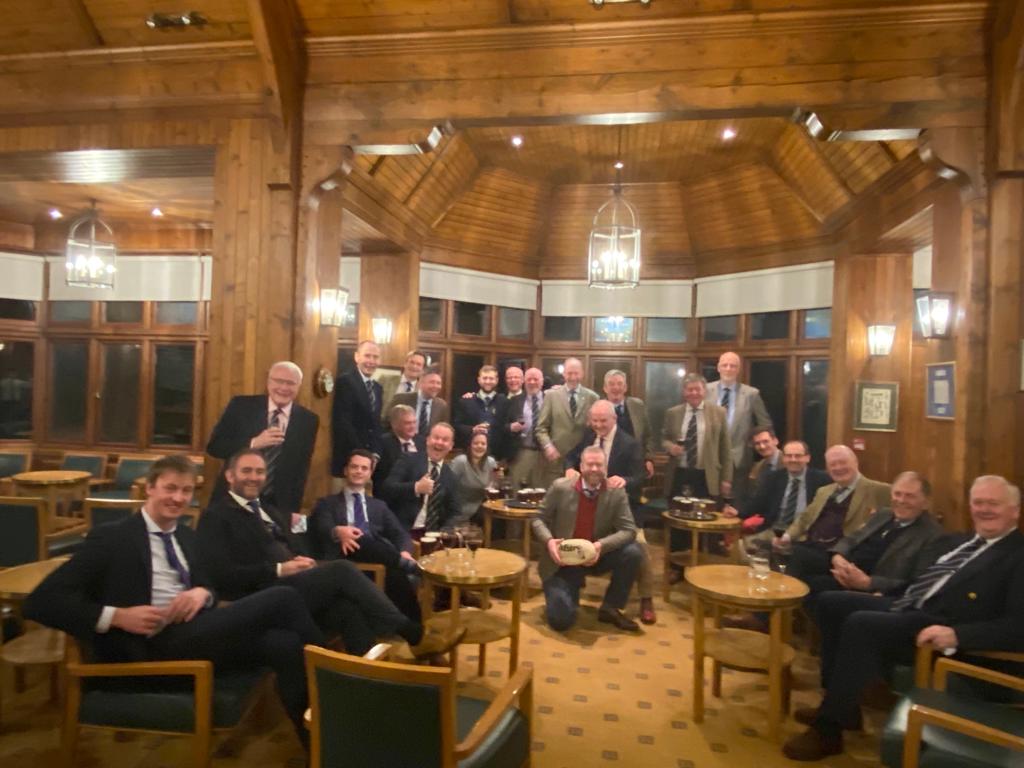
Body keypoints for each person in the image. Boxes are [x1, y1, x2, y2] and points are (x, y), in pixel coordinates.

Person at [24, 455, 324, 748]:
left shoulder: (185, 536)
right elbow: (41, 602)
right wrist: (117, 616)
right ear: (150, 488)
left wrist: (202, 594)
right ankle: (335, 680)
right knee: (283, 596)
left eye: (186, 490)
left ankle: (318, 747)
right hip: (148, 650)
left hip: (192, 634)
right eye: (170, 488)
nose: (178, 498)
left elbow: (211, 587)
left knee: (284, 644)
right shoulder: (113, 538)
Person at [782, 475, 1024, 761]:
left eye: (993, 504)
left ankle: (828, 729)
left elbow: (1017, 627)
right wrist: (876, 589)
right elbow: (922, 583)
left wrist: (957, 635)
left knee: (862, 624)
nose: (984, 510)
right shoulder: (966, 542)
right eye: (978, 503)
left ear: (1015, 511)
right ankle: (842, 707)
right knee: (830, 602)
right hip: (911, 606)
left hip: (943, 630)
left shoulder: (1016, 555)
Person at [196, 449, 451, 655]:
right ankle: (414, 633)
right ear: (229, 475)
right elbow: (221, 574)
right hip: (264, 591)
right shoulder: (216, 516)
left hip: (297, 578)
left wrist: (301, 558)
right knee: (342, 570)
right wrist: (280, 568)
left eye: (259, 471)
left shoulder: (268, 509)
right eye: (247, 471)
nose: (254, 477)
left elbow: (296, 539)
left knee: (346, 608)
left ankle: (366, 674)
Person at [564, 400, 657, 625]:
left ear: (614, 419)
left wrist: (624, 480)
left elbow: (640, 477)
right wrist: (568, 468)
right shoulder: (588, 437)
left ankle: (645, 599)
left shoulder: (630, 443)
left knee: (639, 549)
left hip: (624, 508)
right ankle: (570, 587)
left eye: (603, 421)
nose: (598, 425)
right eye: (594, 421)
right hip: (591, 506)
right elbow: (570, 456)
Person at [532, 446, 643, 632]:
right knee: (561, 621)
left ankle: (611, 607)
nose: (594, 469)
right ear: (581, 466)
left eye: (599, 465)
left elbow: (629, 530)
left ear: (606, 468)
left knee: (633, 552)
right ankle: (570, 590)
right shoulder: (560, 487)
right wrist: (549, 541)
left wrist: (600, 546)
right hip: (563, 560)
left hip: (597, 556)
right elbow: (538, 519)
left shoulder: (616, 492)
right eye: (590, 464)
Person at [801, 471, 943, 614]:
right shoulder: (884, 514)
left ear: (925, 503)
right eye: (897, 494)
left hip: (874, 589)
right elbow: (852, 538)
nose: (901, 500)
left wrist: (868, 582)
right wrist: (837, 556)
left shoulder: (932, 535)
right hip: (846, 570)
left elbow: (916, 583)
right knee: (799, 558)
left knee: (824, 596)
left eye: (910, 496)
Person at [309, 449, 422, 622]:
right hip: (345, 559)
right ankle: (403, 565)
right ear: (346, 470)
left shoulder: (379, 506)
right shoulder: (327, 503)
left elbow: (400, 534)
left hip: (377, 559)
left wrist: (405, 551)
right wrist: (338, 531)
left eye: (364, 468)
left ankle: (414, 627)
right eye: (354, 467)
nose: (359, 471)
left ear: (370, 474)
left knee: (394, 572)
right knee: (358, 537)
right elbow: (321, 526)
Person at [206, 360, 317, 516]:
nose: (284, 388)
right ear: (268, 382)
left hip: (278, 507)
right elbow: (215, 447)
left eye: (290, 383)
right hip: (234, 499)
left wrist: (292, 511)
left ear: (299, 386)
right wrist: (253, 443)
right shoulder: (241, 406)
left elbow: (301, 471)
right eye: (278, 381)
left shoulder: (308, 420)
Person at [776, 445, 892, 574]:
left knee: (797, 554)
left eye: (842, 462)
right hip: (811, 545)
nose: (838, 468)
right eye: (832, 464)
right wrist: (786, 537)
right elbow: (805, 518)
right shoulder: (824, 491)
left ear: (855, 462)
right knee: (776, 549)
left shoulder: (880, 490)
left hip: (842, 554)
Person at [704, 351, 772, 504]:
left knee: (735, 505)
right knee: (708, 504)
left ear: (739, 369)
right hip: (708, 458)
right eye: (725, 365)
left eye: (733, 366)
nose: (728, 369)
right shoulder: (705, 391)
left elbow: (765, 424)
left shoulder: (751, 394)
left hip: (739, 459)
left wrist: (752, 443)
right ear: (718, 368)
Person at [726, 440, 830, 537]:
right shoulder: (773, 478)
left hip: (806, 534)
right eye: (789, 456)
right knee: (742, 546)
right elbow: (757, 503)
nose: (793, 459)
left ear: (808, 458)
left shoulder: (822, 480)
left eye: (798, 456)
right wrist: (738, 512)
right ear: (783, 458)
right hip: (774, 531)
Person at [661, 373, 732, 500]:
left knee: (706, 511)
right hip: (679, 472)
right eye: (690, 389)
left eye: (698, 389)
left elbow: (725, 449)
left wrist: (726, 479)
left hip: (706, 475)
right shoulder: (673, 413)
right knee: (677, 510)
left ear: (704, 391)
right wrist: (670, 447)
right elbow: (664, 439)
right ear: (684, 392)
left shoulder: (718, 413)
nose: (694, 393)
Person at [381, 422, 461, 533]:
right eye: (436, 437)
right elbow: (387, 489)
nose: (439, 442)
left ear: (451, 446)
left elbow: (455, 512)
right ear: (427, 440)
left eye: (445, 440)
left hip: (433, 534)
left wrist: (444, 532)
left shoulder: (451, 476)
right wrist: (416, 487)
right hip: (404, 531)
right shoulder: (408, 460)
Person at [535, 357, 599, 487]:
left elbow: (597, 429)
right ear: (564, 374)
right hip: (556, 461)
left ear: (582, 373)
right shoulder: (551, 396)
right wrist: (548, 446)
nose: (573, 377)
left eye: (576, 373)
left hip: (583, 463)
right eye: (569, 373)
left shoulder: (592, 397)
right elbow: (541, 428)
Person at [331, 341, 384, 478]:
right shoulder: (345, 382)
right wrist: (361, 454)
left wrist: (376, 453)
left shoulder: (377, 388)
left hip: (368, 461)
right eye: (367, 356)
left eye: (375, 357)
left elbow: (376, 424)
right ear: (357, 357)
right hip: (348, 458)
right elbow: (343, 423)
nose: (371, 361)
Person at [602, 369, 656, 479]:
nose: (616, 387)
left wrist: (649, 459)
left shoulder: (638, 406)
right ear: (605, 388)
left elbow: (647, 436)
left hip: (634, 466)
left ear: (625, 387)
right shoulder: (598, 407)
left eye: (620, 384)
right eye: (611, 384)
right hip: (606, 466)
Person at [504, 366, 547, 490]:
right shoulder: (514, 401)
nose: (532, 382)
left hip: (545, 455)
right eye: (529, 379)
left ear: (542, 381)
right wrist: (511, 427)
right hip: (521, 453)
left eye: (536, 379)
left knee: (542, 493)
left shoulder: (551, 399)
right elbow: (503, 426)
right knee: (517, 492)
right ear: (524, 381)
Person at [454, 365, 509, 457]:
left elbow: (506, 427)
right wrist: (472, 429)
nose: (487, 381)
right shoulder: (466, 401)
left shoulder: (504, 402)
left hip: (497, 454)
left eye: (491, 378)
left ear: (496, 380)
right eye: (485, 378)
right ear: (479, 380)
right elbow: (457, 426)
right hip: (470, 454)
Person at [373, 404, 425, 491]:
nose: (413, 426)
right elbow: (380, 479)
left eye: (414, 422)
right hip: (389, 494)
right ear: (394, 425)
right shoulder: (383, 443)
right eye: (407, 423)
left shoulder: (422, 442)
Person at [450, 432, 498, 525]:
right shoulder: (461, 461)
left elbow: (493, 486)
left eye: (483, 444)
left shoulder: (491, 462)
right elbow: (448, 486)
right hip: (461, 507)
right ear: (469, 445)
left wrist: (497, 480)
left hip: (482, 506)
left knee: (498, 518)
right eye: (476, 443)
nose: (479, 446)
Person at [389, 368, 448, 437]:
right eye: (432, 382)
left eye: (438, 383)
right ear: (421, 383)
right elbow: (388, 423)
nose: (435, 386)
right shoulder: (401, 399)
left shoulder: (441, 405)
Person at [379, 349, 427, 415]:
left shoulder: (423, 391)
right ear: (405, 364)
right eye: (412, 362)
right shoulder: (385, 380)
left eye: (418, 364)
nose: (414, 366)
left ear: (423, 370)